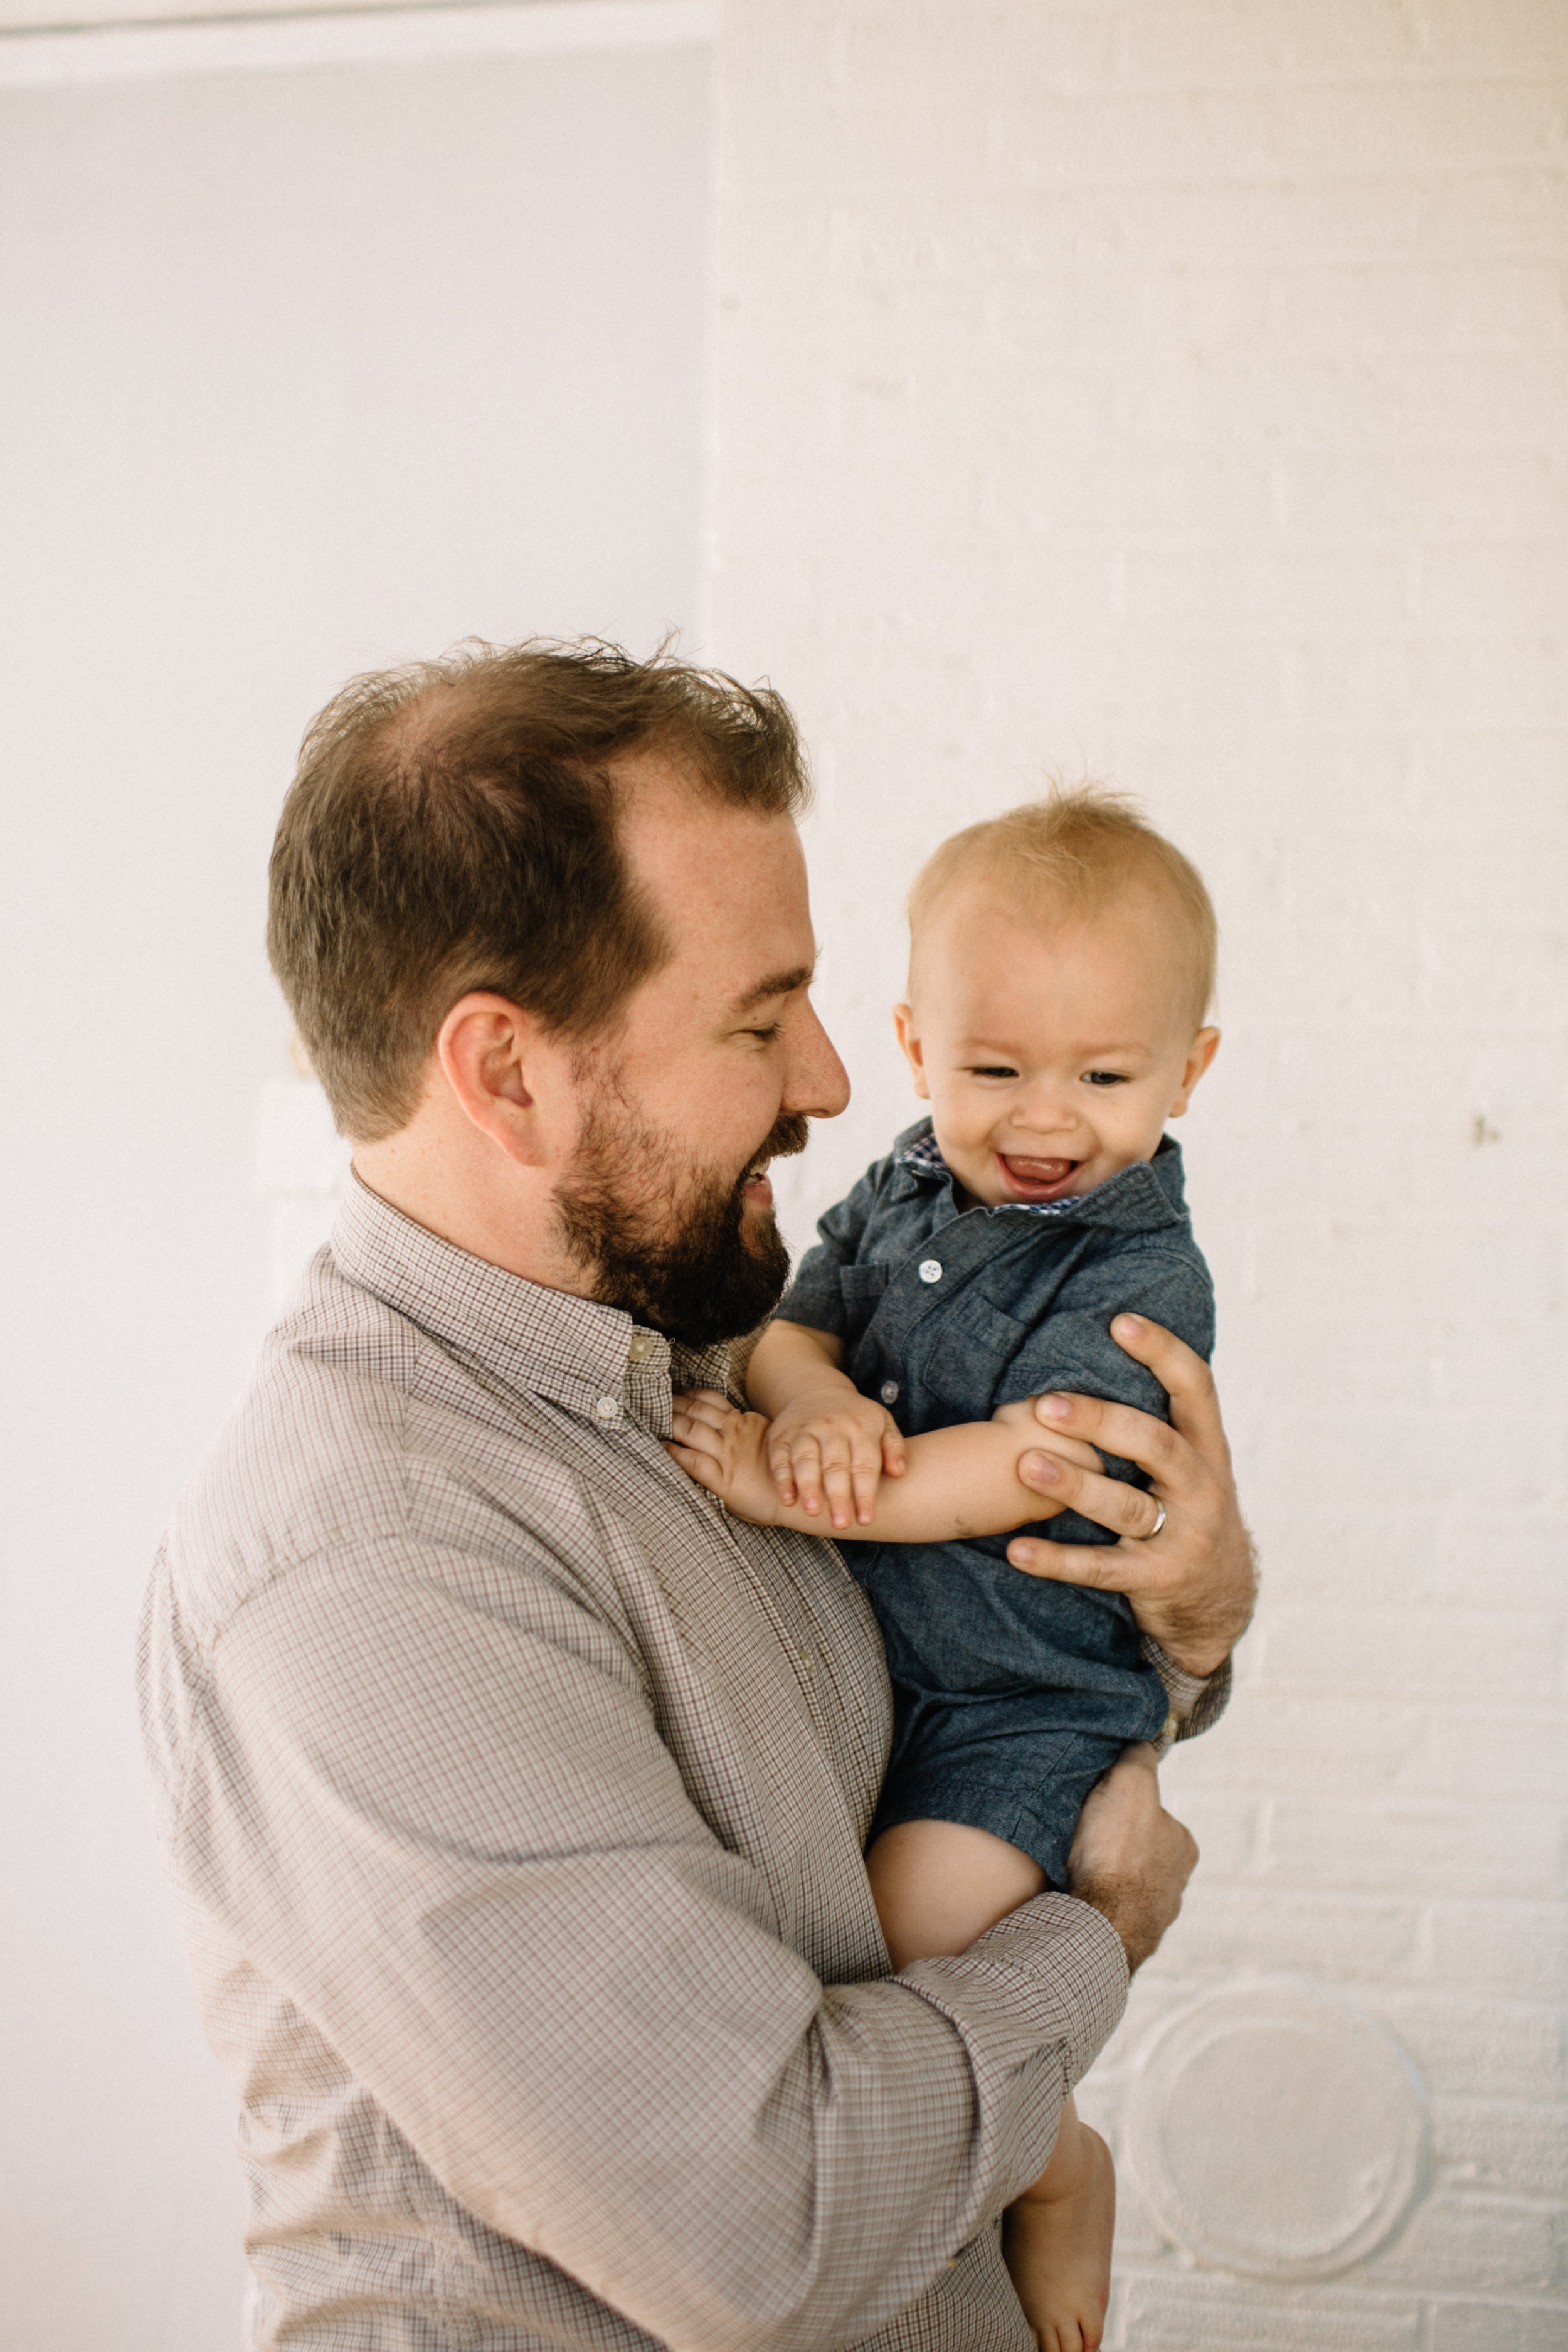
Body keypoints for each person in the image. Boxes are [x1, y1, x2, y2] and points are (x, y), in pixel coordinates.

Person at [138, 640, 1256, 2352]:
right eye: (758, 1016)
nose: (826, 1078)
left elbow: (987, 1636)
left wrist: (1193, 1615)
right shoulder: (372, 1560)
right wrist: (1089, 1937)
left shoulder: (709, 1345)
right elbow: (769, 2229)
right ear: (507, 1071)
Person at [666, 789, 1221, 2351]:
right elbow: (791, 1325)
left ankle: (1056, 2167)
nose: (1042, 1120)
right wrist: (818, 1400)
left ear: (1190, 1071)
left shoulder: (1133, 1268)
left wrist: (796, 1490)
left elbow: (1023, 1466)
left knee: (902, 1962)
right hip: (891, 1674)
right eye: (993, 1070)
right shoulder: (907, 1183)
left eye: (1104, 1078)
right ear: (915, 1047)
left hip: (1016, 1701)